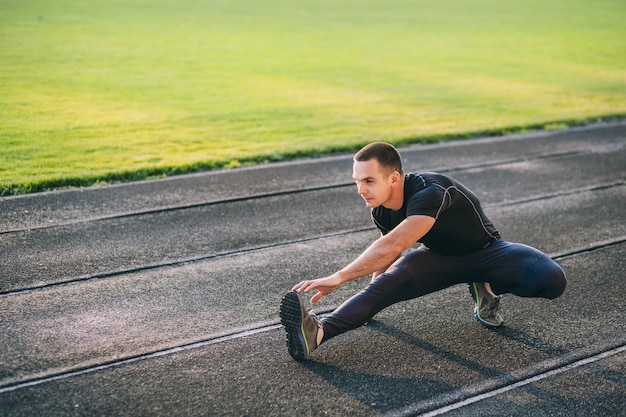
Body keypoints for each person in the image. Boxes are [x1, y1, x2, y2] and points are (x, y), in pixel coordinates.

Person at [279, 142, 567, 361]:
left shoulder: (431, 191)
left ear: (393, 178)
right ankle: (317, 333)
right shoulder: (381, 209)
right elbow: (388, 251)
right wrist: (372, 296)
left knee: (552, 280)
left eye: (368, 181)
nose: (360, 190)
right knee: (385, 284)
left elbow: (394, 244)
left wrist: (339, 277)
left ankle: (487, 284)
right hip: (438, 259)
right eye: (357, 181)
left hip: (489, 254)